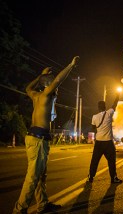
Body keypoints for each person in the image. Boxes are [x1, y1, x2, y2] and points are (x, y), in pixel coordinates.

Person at [13, 56, 80, 214]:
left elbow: (28, 88)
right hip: (38, 140)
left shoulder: (36, 96)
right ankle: (19, 210)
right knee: (32, 177)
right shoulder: (46, 94)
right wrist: (70, 65)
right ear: (48, 85)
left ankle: (42, 204)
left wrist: (40, 76)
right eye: (52, 85)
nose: (57, 89)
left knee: (41, 176)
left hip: (35, 138)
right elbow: (57, 80)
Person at [86, 92, 123, 184]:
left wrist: (99, 131)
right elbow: (115, 104)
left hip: (99, 142)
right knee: (111, 161)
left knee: (94, 161)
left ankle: (91, 177)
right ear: (105, 107)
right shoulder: (109, 113)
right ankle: (113, 178)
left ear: (98, 108)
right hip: (108, 142)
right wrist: (117, 96)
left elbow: (93, 128)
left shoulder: (94, 117)